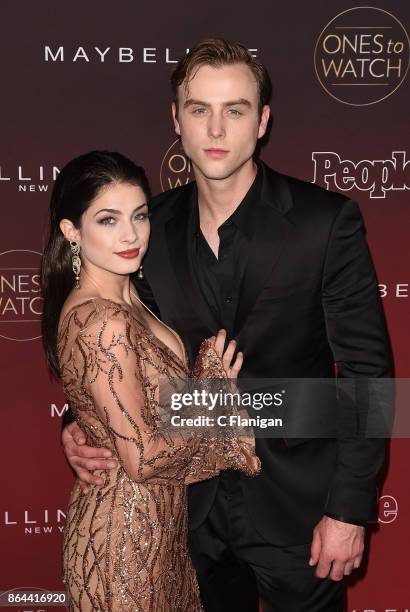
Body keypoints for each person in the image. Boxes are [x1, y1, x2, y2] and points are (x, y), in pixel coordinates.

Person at [61, 40, 393, 611]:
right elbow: (114, 338)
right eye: (199, 109)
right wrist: (77, 419)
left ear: (262, 121)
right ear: (177, 119)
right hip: (187, 511)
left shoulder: (323, 223)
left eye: (235, 109)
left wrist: (348, 509)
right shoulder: (145, 231)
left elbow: (368, 374)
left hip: (299, 511)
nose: (216, 128)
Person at [41, 150, 260, 611]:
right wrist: (213, 401)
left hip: (163, 538)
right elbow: (143, 459)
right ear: (71, 231)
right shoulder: (102, 320)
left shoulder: (131, 299)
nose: (130, 234)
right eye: (107, 219)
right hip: (122, 545)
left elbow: (130, 405)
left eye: (139, 215)